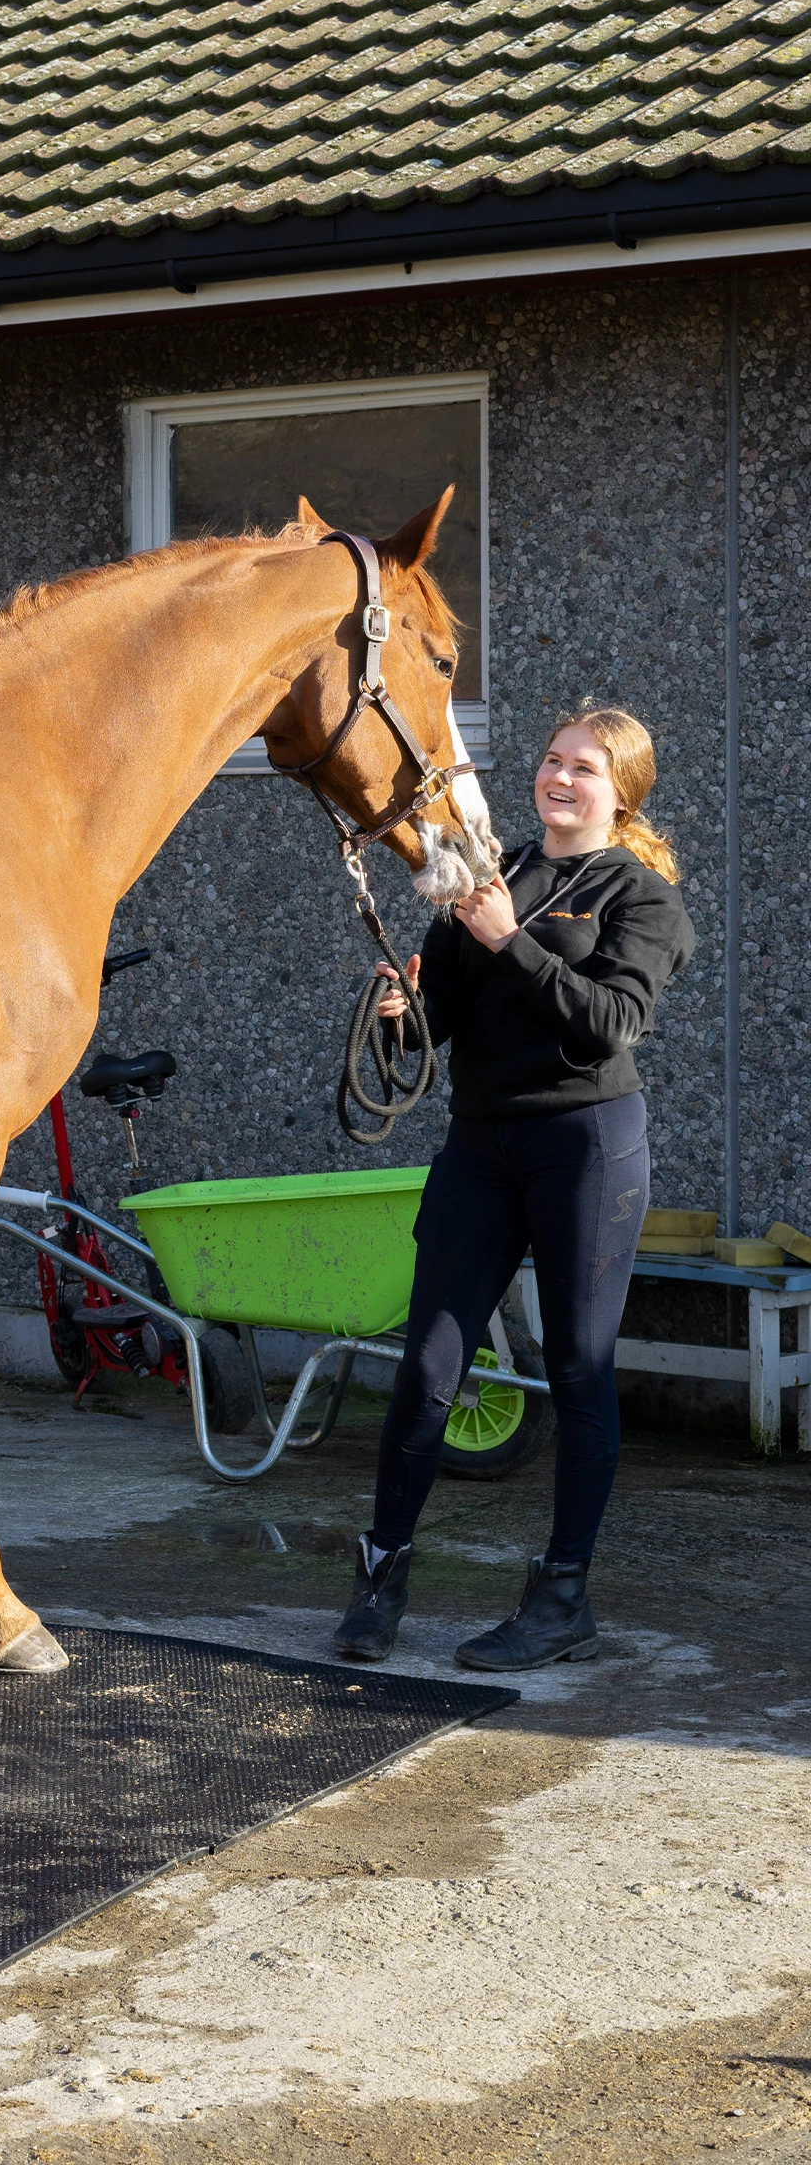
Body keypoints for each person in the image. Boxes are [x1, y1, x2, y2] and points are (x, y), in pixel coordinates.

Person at [336, 703, 694, 1672]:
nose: (560, 777)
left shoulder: (641, 897)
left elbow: (608, 1022)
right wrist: (404, 1008)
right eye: (551, 759)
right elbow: (438, 1022)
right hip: (481, 1144)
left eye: (583, 767)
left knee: (579, 1365)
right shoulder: (487, 879)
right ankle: (381, 1575)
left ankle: (562, 1596)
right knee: (427, 1367)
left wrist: (511, 941)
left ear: (620, 793)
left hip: (586, 1144)